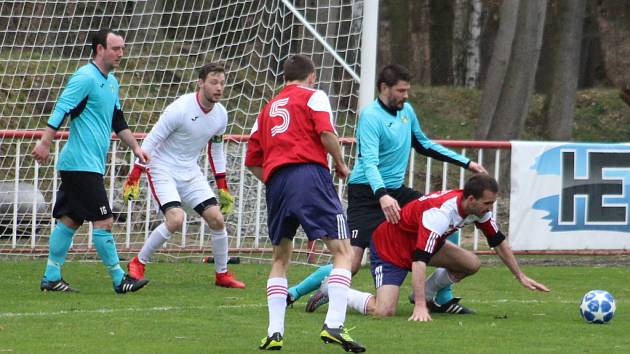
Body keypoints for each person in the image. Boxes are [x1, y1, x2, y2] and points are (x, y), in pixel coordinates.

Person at [290, 64, 486, 313]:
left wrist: (467, 163)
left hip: (396, 192)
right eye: (401, 90)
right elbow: (369, 163)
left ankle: (440, 296)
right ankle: (296, 292)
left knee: (448, 217)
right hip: (366, 192)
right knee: (351, 263)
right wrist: (382, 196)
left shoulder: (407, 112)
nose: (406, 96)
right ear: (384, 88)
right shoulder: (370, 116)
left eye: (407, 90)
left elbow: (424, 144)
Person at [245, 54, 365, 352]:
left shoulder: (266, 109)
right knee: (343, 252)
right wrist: (339, 163)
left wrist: (275, 181)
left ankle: (274, 333)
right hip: (310, 175)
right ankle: (334, 325)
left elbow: (251, 160)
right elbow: (325, 132)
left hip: (277, 182)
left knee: (279, 258)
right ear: (311, 76)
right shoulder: (315, 96)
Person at [323, 174, 550, 320]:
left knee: (471, 263)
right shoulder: (440, 213)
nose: (490, 208)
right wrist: (420, 307)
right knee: (383, 311)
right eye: (487, 203)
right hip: (390, 249)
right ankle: (334, 289)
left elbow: (498, 241)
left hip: (421, 245)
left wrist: (519, 275)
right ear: (470, 200)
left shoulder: (478, 211)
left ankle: (428, 294)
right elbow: (419, 259)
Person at [31, 28, 150, 294]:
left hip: (89, 165)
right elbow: (62, 107)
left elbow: (118, 120)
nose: (121, 53)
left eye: (122, 48)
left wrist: (136, 148)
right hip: (79, 165)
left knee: (70, 220)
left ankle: (51, 277)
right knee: (104, 221)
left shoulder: (111, 82)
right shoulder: (84, 77)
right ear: (99, 49)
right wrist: (45, 141)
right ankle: (120, 279)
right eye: (115, 48)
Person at [122, 63, 245, 289]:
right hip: (162, 167)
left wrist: (223, 186)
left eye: (222, 83)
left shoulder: (221, 115)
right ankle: (138, 262)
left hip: (190, 170)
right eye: (213, 82)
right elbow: (152, 139)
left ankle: (222, 274)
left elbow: (215, 150)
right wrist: (135, 174)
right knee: (176, 219)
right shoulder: (180, 108)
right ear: (201, 83)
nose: (219, 88)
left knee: (217, 219)